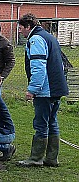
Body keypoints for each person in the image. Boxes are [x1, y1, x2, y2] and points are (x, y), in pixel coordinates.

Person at [17, 13, 69, 167]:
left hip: (45, 90)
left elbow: (39, 68)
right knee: (52, 122)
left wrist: (32, 89)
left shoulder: (36, 39)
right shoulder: (49, 37)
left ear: (28, 27)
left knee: (41, 124)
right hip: (57, 88)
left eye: (21, 28)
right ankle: (52, 158)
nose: (20, 31)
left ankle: (36, 158)